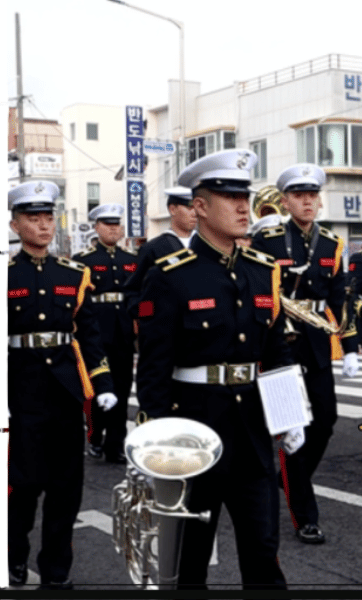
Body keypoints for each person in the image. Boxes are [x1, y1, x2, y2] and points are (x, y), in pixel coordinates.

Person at [136, 149, 300, 589]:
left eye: (245, 196)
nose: (243, 207)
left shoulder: (262, 271)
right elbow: (153, 370)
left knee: (263, 552)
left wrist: (288, 415)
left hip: (251, 433)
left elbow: (275, 351)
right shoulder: (170, 276)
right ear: (201, 207)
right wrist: (158, 443)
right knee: (190, 558)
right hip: (195, 433)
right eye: (230, 198)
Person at [6, 180, 116, 590]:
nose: (43, 225)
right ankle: (15, 555)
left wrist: (102, 381)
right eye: (33, 218)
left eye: (48, 217)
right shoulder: (7, 273)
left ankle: (56, 570)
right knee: (25, 484)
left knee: (65, 489)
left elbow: (89, 335)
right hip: (23, 391)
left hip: (66, 392)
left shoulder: (74, 274)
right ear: (16, 225)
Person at [250, 163, 359, 545]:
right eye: (299, 196)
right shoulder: (268, 238)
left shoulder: (331, 243)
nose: (307, 201)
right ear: (285, 201)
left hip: (314, 343)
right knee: (291, 427)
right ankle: (305, 516)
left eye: (312, 195)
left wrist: (349, 348)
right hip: (277, 344)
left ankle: (289, 478)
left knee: (325, 419)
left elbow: (339, 298)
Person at [72, 202, 137, 465]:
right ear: (97, 228)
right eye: (107, 225)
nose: (113, 229)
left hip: (123, 332)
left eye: (116, 225)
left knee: (121, 387)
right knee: (99, 386)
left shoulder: (132, 260)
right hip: (96, 333)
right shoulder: (83, 261)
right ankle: (96, 435)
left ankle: (116, 444)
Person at [123, 186, 196, 322]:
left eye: (197, 208)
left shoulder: (203, 245)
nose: (194, 213)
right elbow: (133, 293)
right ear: (172, 209)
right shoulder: (153, 248)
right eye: (189, 207)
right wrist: (153, 316)